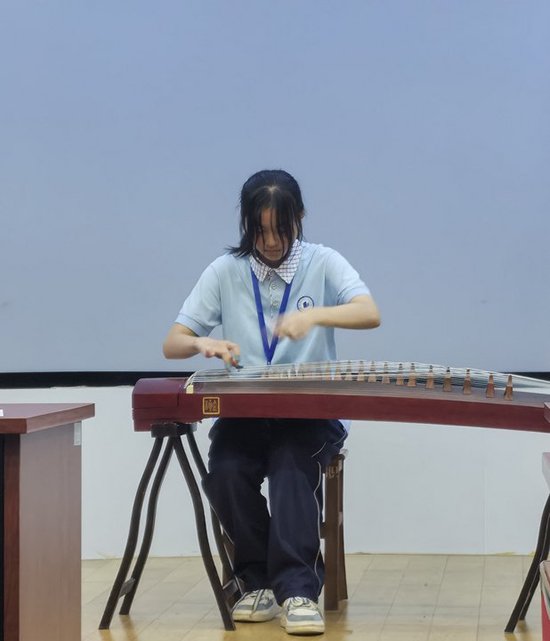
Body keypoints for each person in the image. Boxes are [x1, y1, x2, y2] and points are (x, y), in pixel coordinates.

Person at [163, 169, 380, 635]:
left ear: (299, 217)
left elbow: (369, 312)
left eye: (280, 229)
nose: (271, 242)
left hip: (310, 413)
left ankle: (299, 591)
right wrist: (202, 344)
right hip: (246, 413)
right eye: (259, 231)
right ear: (246, 224)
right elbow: (173, 342)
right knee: (225, 473)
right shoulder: (225, 270)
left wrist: (316, 316)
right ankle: (257, 581)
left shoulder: (323, 261)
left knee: (289, 470)